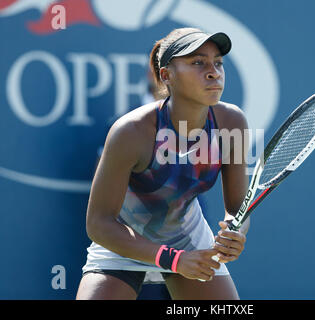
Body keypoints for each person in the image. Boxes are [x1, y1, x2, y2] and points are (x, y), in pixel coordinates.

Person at [76, 27, 250, 300]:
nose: (214, 72)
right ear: (166, 75)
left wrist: (236, 231)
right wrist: (173, 259)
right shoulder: (131, 131)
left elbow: (238, 207)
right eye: (197, 62)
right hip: (125, 242)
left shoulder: (232, 123)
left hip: (188, 239)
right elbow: (99, 223)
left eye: (218, 63)